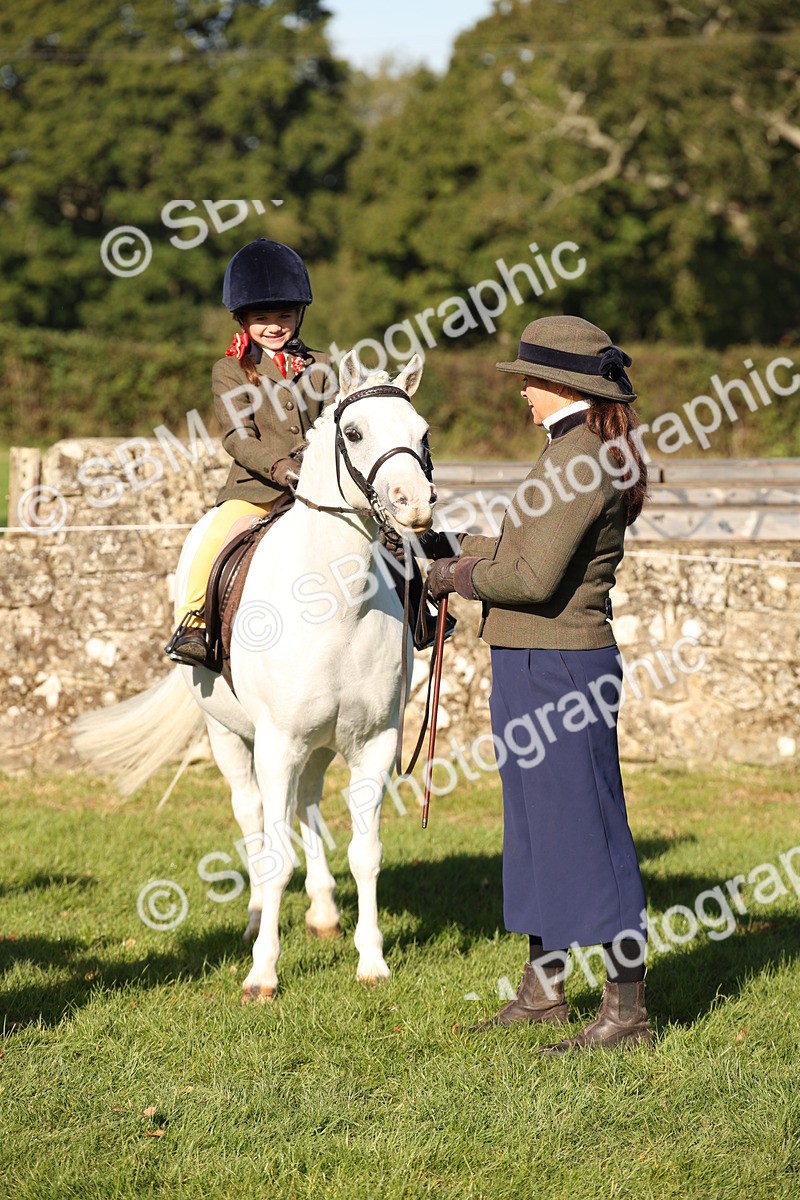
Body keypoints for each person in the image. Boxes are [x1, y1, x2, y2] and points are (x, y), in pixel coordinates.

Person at [427, 315, 654, 1052]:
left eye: (527, 378)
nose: (521, 391)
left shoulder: (576, 459)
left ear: (558, 385)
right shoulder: (573, 451)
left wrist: (451, 574)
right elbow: (526, 547)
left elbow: (528, 576)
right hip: (533, 663)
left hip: (560, 668)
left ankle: (627, 1015)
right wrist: (459, 544)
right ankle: (543, 991)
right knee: (534, 835)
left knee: (588, 835)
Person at [166, 238, 334, 666]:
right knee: (218, 539)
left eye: (284, 316)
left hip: (320, 484)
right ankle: (193, 623)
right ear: (242, 320)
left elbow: (336, 419)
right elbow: (239, 438)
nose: (275, 326)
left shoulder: (322, 363)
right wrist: (280, 468)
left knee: (385, 533)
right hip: (256, 488)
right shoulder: (228, 370)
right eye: (262, 318)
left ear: (300, 314)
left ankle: (415, 607)